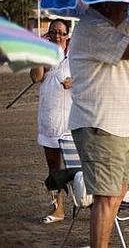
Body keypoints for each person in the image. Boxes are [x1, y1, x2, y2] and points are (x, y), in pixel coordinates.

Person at [68, 2, 129, 248]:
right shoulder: (93, 28)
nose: (127, 8)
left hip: (115, 125)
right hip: (101, 125)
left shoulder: (109, 27)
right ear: (106, 5)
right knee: (106, 198)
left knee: (116, 195)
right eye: (122, 3)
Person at [30, 19, 72, 224]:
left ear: (67, 36)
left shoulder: (74, 56)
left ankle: (90, 203)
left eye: (61, 33)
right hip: (50, 118)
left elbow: (87, 79)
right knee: (54, 167)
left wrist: (75, 82)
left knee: (78, 165)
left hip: (73, 121)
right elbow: (36, 77)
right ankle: (58, 208)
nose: (57, 36)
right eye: (53, 32)